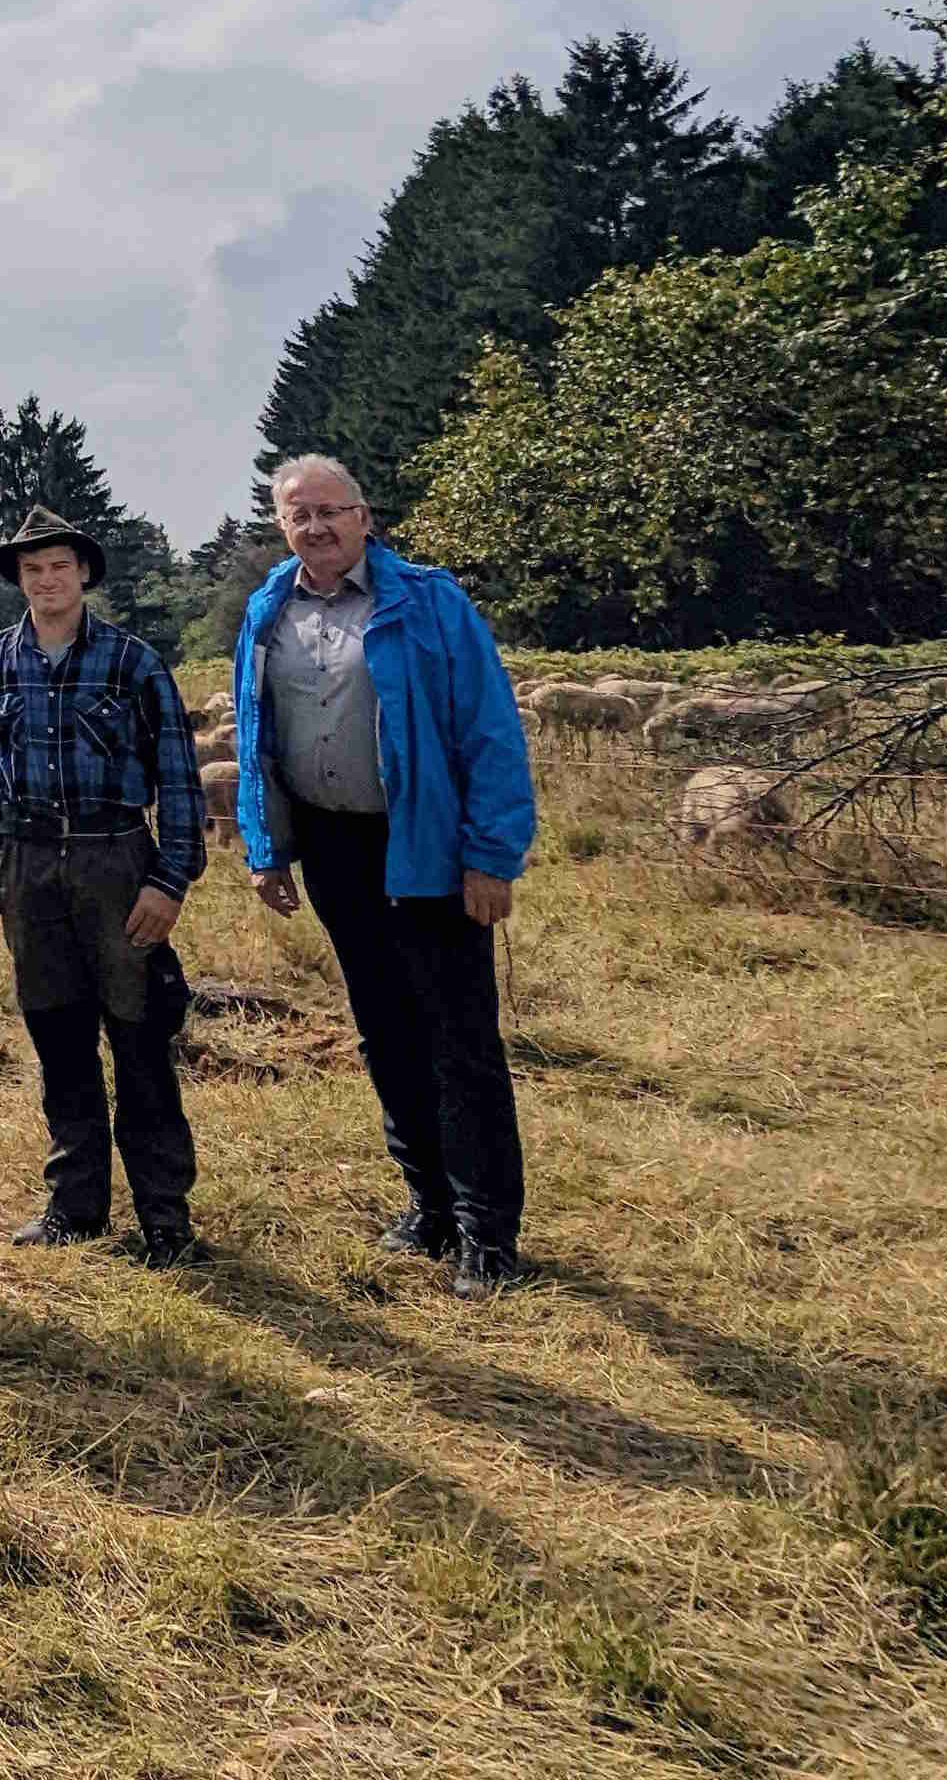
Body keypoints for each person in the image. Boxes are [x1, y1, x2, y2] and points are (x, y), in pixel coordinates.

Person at [229, 455, 538, 1299]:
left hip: (425, 843)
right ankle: (428, 1206)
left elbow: (488, 729)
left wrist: (491, 854)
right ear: (282, 527)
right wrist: (265, 845)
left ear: (364, 517)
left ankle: (486, 1232)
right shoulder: (268, 610)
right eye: (300, 514)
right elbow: (256, 735)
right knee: (384, 1029)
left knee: (459, 1039)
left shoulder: (430, 602)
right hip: (335, 848)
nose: (317, 526)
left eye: (332, 510)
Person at [0, 504, 208, 1266]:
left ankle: (165, 1216)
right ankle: (75, 1206)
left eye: (59, 566)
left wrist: (170, 879)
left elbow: (178, 778)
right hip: (29, 865)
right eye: (32, 569)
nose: (47, 580)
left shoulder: (133, 662)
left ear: (85, 572)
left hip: (115, 857)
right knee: (58, 1037)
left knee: (139, 1037)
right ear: (18, 580)